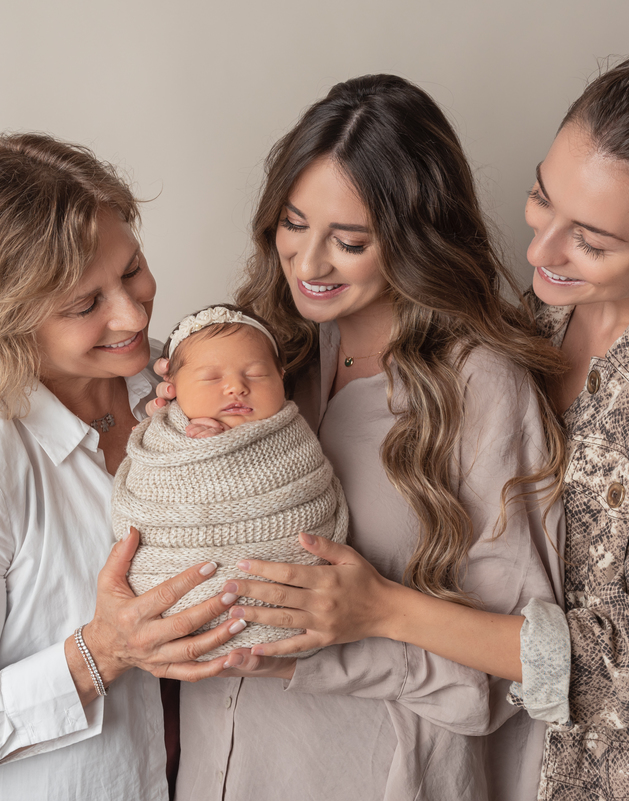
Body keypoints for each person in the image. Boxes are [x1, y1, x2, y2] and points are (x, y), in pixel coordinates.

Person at [225, 55, 629, 800]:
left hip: (617, 774)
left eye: (592, 240)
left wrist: (382, 608)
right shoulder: (528, 325)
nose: (540, 250)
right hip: (490, 756)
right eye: (542, 198)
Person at [154, 74, 569, 801]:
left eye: (349, 242)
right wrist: (166, 439)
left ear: (417, 241)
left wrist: (343, 633)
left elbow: (522, 672)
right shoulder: (263, 355)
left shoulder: (480, 387)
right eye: (293, 224)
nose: (309, 263)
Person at [0, 133, 243, 801]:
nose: (132, 314)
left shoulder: (181, 384)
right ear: (4, 320)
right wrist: (103, 651)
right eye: (85, 305)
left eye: (132, 269)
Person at [111, 305, 349, 661]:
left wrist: (233, 449)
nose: (237, 387)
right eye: (211, 378)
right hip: (181, 611)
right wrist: (198, 453)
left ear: (282, 378)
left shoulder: (293, 438)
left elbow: (310, 489)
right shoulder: (165, 438)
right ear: (172, 388)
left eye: (256, 374)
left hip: (296, 605)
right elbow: (152, 506)